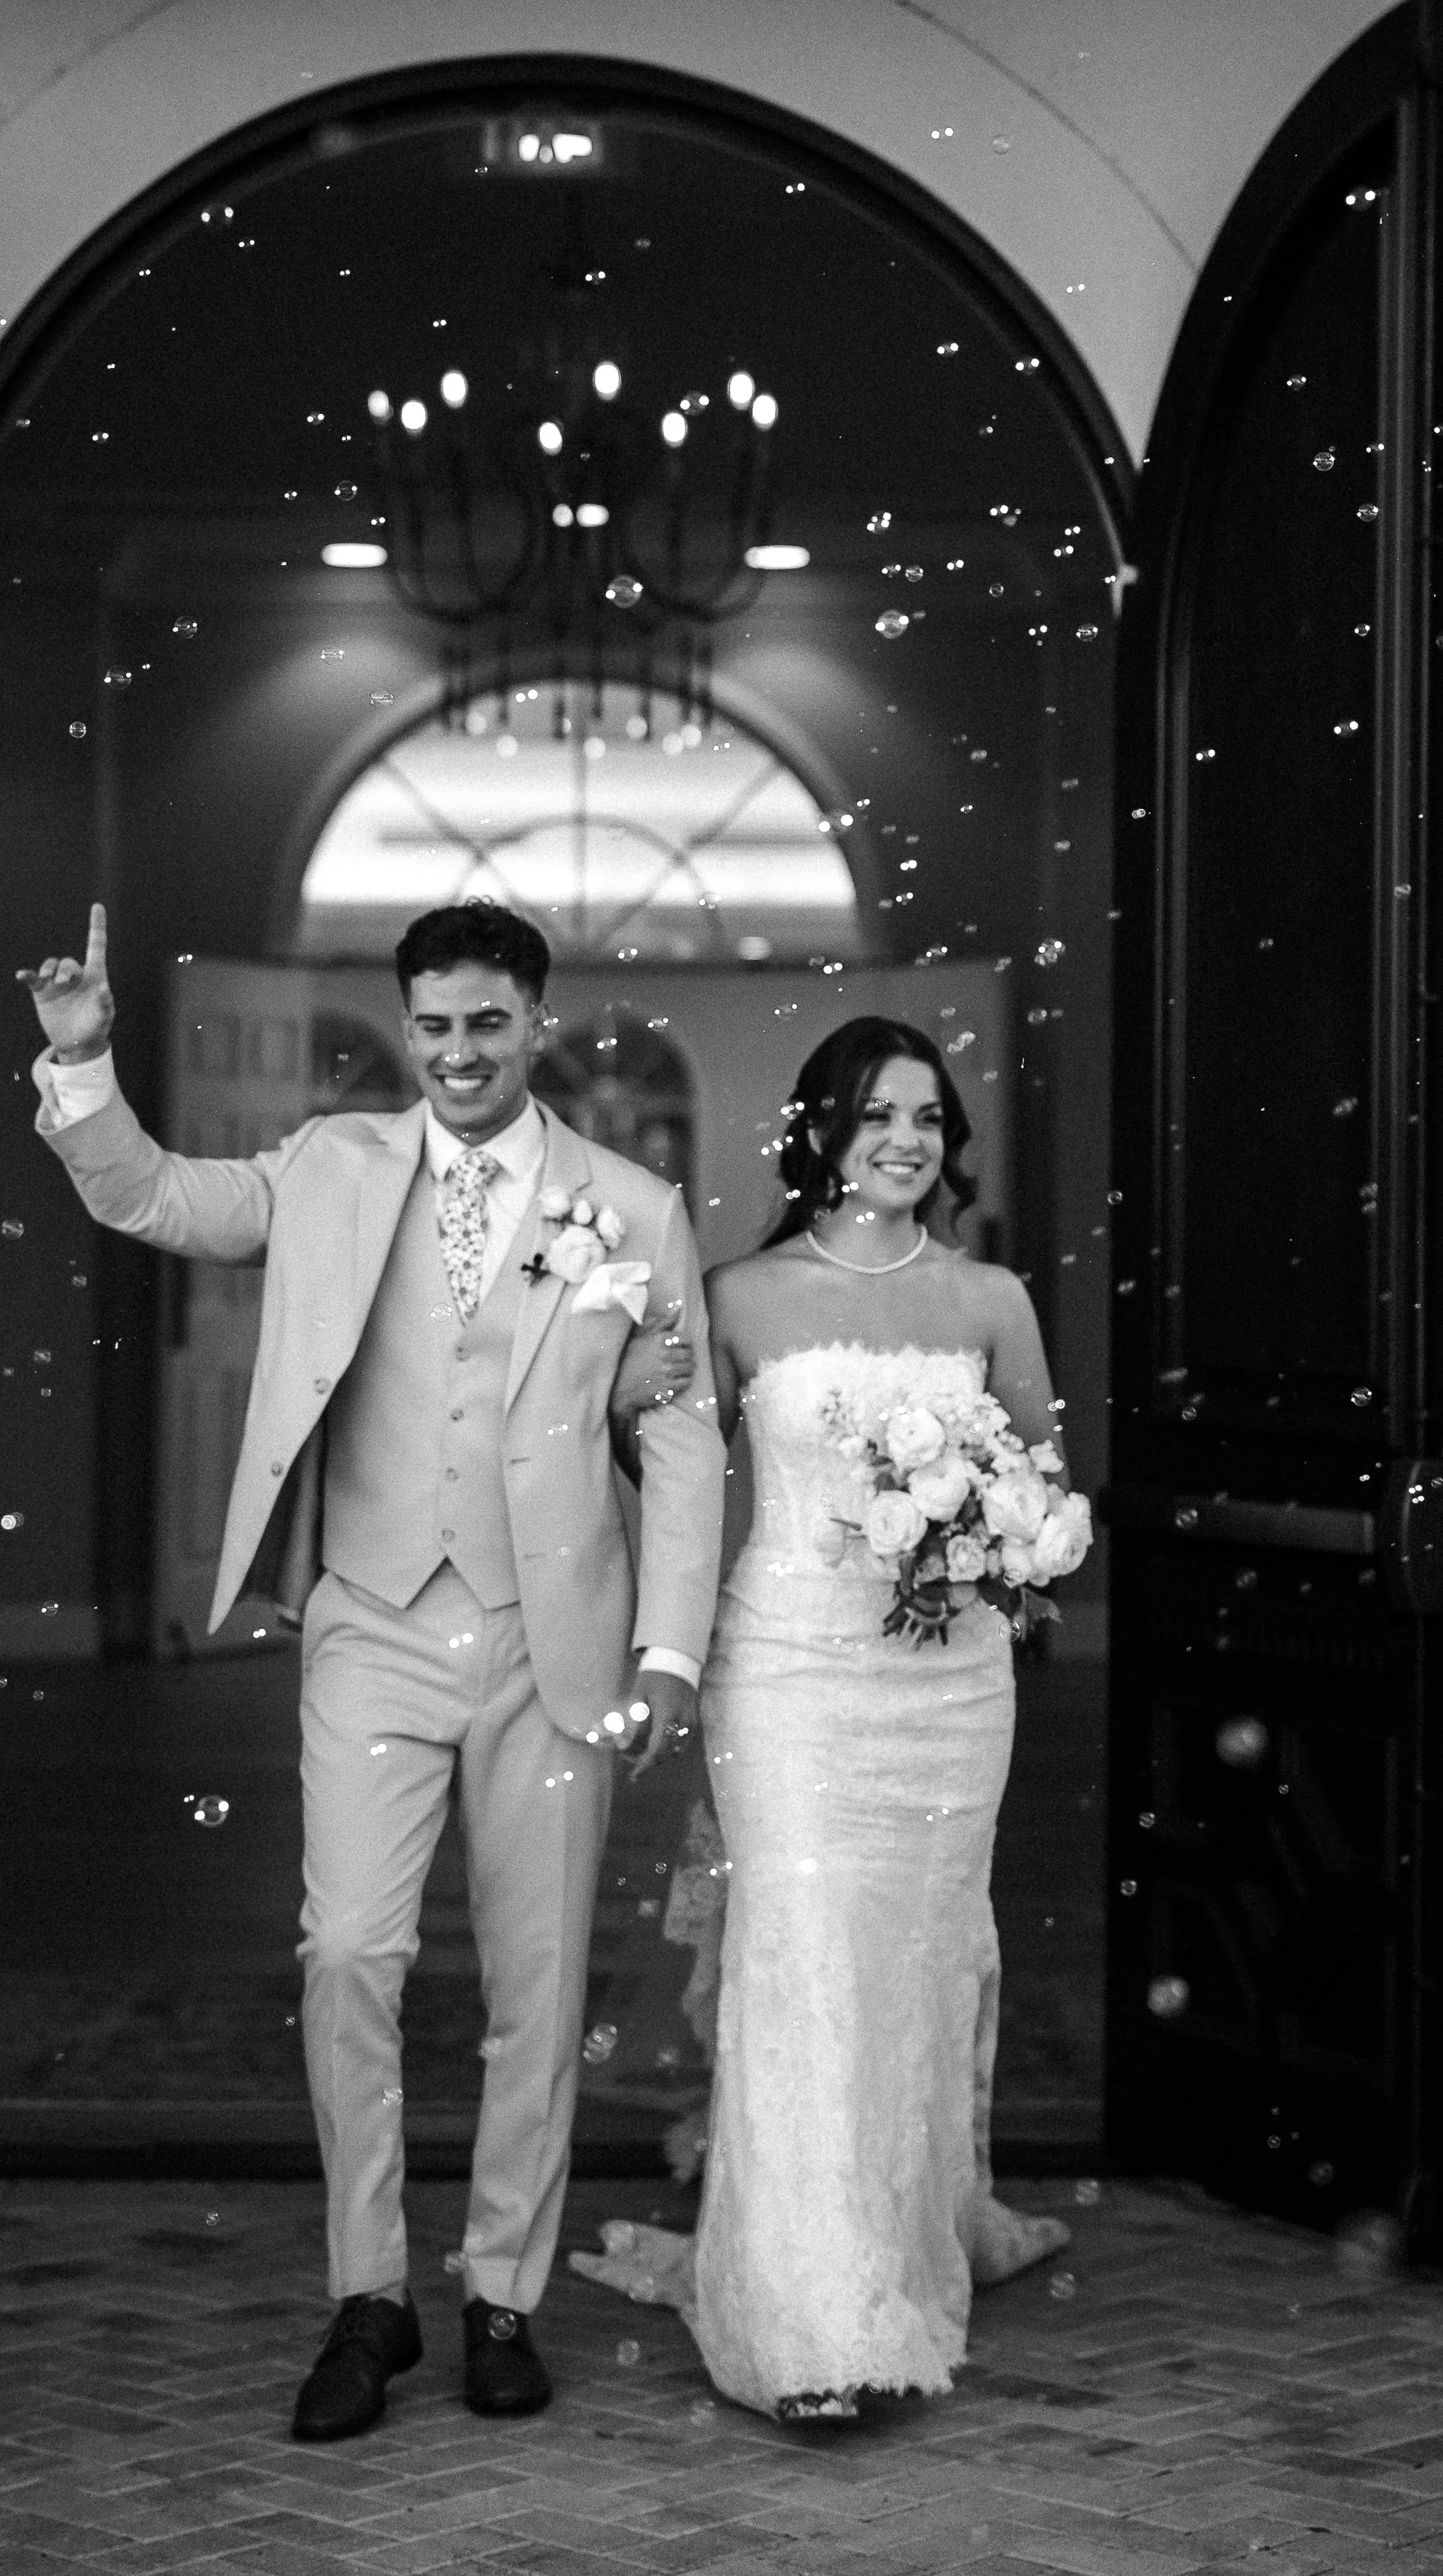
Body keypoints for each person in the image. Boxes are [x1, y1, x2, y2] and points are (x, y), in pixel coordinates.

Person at [18, 899, 724, 2440]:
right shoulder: (331, 1166)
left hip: (557, 1637)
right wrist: (83, 1063)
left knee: (539, 1986)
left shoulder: (631, 1207)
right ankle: (370, 2295)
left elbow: (678, 1432)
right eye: (433, 1023)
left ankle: (502, 2295)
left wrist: (671, 1645)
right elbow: (157, 1198)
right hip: (371, 1620)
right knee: (349, 1951)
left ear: (534, 1020)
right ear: (406, 1026)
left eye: (485, 1021)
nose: (457, 1051)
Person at [577, 1016, 1071, 2421]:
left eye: (924, 1116)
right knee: (798, 1961)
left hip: (949, 1689)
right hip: (787, 1672)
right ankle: (804, 2313)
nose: (904, 1140)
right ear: (821, 1136)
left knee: (912, 1968)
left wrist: (1000, 1550)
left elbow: (1043, 1492)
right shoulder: (737, 1295)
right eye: (873, 1117)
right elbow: (658, 1457)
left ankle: (904, 2239)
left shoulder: (991, 1300)